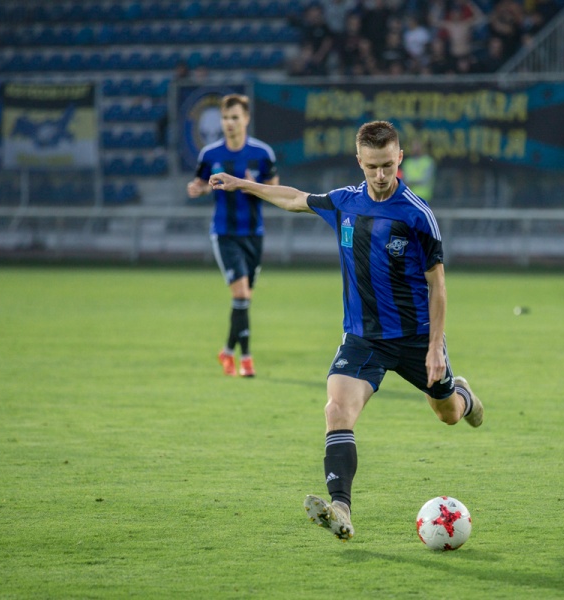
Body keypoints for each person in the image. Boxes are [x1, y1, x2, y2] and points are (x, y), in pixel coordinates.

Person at [209, 121, 484, 541]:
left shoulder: (418, 215)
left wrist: (434, 349)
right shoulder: (344, 202)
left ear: (399, 158)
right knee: (336, 410)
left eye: (388, 165)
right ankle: (341, 507)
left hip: (416, 338)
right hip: (363, 338)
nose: (381, 174)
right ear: (359, 161)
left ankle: (463, 394)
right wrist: (243, 184)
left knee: (447, 414)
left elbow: (438, 286)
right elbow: (294, 198)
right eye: (372, 166)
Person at [187, 94, 279, 376]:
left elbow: (275, 189)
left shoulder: (262, 154)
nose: (229, 123)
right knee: (240, 292)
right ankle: (246, 360)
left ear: (246, 119)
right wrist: (197, 189)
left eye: (235, 117)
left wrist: (254, 185)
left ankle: (227, 352)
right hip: (225, 233)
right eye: (225, 118)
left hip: (254, 233)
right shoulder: (210, 155)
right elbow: (202, 184)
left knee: (244, 298)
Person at [401, 137, 436, 202]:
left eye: (418, 146)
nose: (416, 149)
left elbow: (426, 180)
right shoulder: (407, 163)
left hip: (425, 197)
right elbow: (405, 180)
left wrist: (411, 182)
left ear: (422, 148)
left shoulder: (428, 161)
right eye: (414, 146)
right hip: (409, 197)